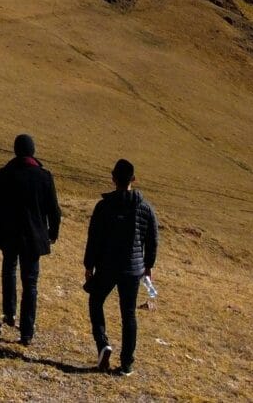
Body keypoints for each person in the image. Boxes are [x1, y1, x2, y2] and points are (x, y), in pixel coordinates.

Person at [0, 133, 61, 344]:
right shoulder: (44, 176)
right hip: (33, 237)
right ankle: (27, 331)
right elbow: (54, 210)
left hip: (9, 235)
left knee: (9, 271)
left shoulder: (5, 174)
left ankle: (9, 313)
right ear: (33, 151)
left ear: (15, 151)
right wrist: (52, 233)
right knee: (30, 283)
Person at [83, 158, 158, 377]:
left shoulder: (104, 206)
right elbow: (152, 240)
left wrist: (89, 265)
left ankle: (103, 344)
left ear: (113, 178)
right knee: (129, 315)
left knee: (95, 301)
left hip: (107, 266)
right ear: (133, 179)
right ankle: (126, 364)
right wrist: (148, 266)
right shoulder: (145, 208)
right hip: (133, 269)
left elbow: (94, 238)